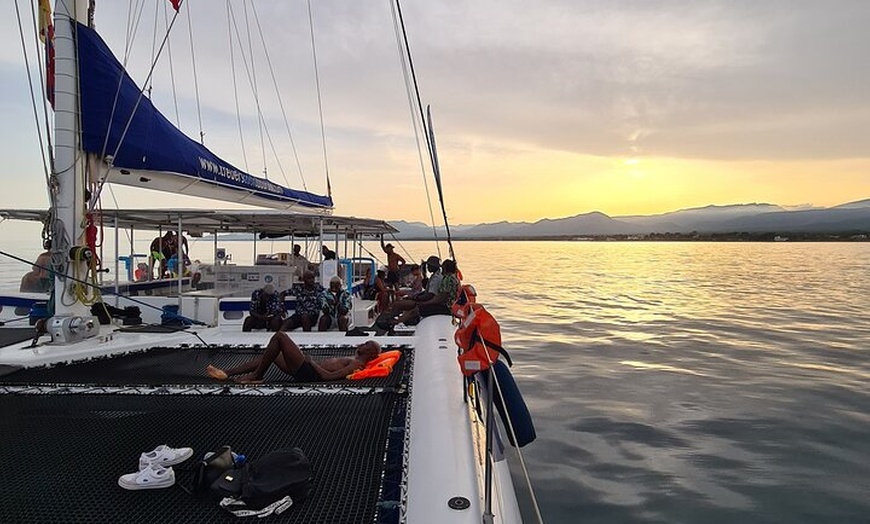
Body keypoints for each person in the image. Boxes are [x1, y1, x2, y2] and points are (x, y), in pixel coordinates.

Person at [206, 331, 382, 383]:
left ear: (371, 353)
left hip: (309, 373)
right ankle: (227, 373)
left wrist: (311, 362)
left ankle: (256, 376)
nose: (362, 344)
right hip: (307, 368)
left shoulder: (356, 364)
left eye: (367, 344)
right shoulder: (354, 358)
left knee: (280, 336)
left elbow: (327, 377)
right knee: (272, 353)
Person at [393, 258, 460, 326]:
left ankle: (395, 322)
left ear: (445, 268)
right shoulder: (452, 278)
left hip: (446, 307)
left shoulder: (447, 279)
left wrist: (425, 303)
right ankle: (399, 320)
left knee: (416, 309)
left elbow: (441, 297)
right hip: (448, 306)